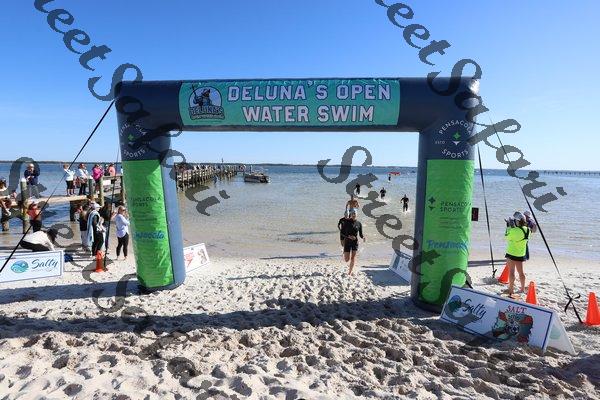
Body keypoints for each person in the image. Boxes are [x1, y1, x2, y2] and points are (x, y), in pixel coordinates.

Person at [505, 212, 530, 297]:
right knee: (521, 272)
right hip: (521, 254)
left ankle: (511, 289)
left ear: (517, 221)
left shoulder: (513, 230)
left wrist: (508, 226)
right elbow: (521, 235)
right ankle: (522, 289)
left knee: (511, 272)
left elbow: (507, 237)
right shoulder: (528, 230)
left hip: (511, 253)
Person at [339, 210, 366, 275]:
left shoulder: (359, 223)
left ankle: (350, 272)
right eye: (352, 213)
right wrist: (347, 237)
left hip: (355, 242)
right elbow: (342, 232)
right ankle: (344, 252)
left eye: (355, 213)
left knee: (353, 258)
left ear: (357, 214)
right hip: (347, 242)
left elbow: (360, 234)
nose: (354, 215)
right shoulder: (346, 222)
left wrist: (363, 237)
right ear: (350, 214)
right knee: (346, 259)